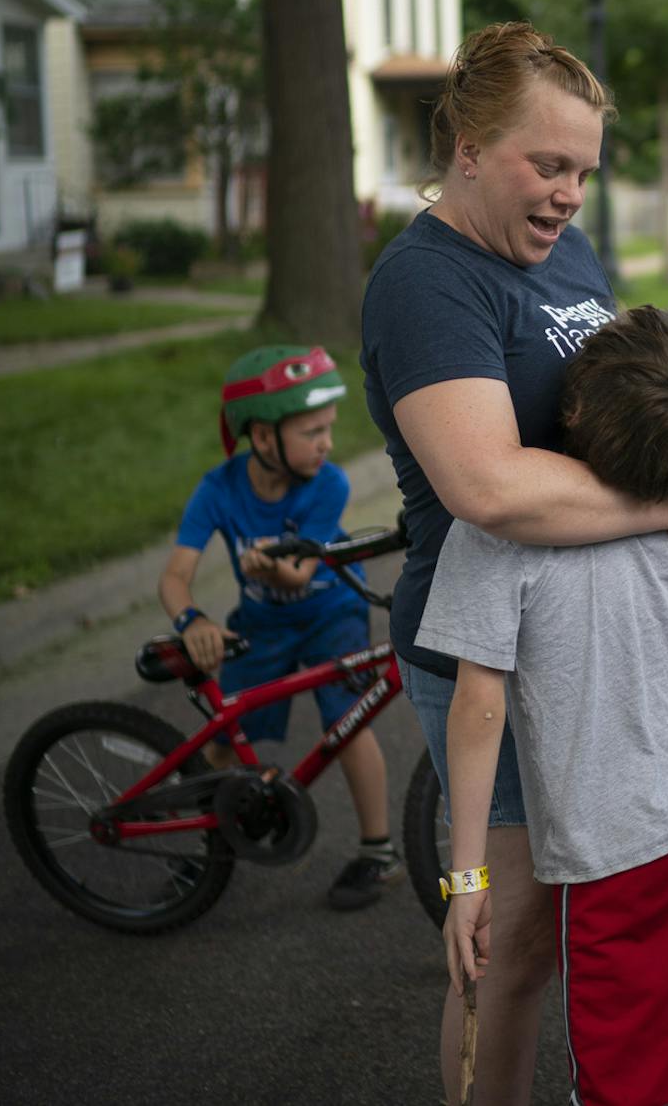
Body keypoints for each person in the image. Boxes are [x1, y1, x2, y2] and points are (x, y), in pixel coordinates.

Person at [362, 21, 668, 1106]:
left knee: (603, 916)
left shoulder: (557, 247)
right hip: (491, 642)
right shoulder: (427, 284)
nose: (569, 193)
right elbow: (489, 487)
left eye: (583, 170)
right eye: (547, 164)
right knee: (517, 940)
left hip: (596, 629)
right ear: (469, 147)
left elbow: (620, 400)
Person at [422, 307, 668, 1106]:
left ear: (571, 409)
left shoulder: (495, 534)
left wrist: (467, 879)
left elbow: (477, 711)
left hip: (620, 859)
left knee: (626, 1088)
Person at [157, 344, 401, 910]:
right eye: (312, 432)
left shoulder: (330, 484)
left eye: (328, 428)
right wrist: (192, 619)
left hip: (330, 612)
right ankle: (197, 852)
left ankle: (378, 851)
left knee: (348, 724)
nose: (327, 444)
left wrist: (272, 565)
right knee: (222, 737)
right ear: (263, 439)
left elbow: (302, 573)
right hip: (263, 624)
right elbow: (174, 578)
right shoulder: (217, 490)